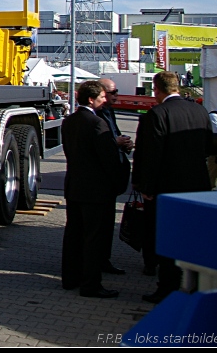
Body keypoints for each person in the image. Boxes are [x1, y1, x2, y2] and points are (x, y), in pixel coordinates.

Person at [132, 71, 212, 304]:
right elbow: (208, 146)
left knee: (167, 238)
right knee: (193, 237)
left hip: (167, 188)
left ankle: (168, 287)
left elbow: (150, 155)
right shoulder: (200, 110)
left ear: (157, 90)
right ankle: (195, 284)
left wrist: (145, 186)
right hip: (198, 186)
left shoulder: (157, 114)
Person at [61, 81, 129, 298]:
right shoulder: (97, 124)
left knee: (73, 234)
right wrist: (118, 181)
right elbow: (108, 160)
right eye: (102, 96)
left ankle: (70, 278)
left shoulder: (70, 121)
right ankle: (91, 284)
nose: (105, 99)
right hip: (95, 191)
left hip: (75, 186)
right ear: (91, 99)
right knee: (93, 238)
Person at [96, 78, 134, 275]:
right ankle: (97, 262)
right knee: (99, 226)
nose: (116, 95)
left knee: (107, 224)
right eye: (112, 92)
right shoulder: (94, 116)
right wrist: (115, 143)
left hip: (113, 178)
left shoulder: (109, 112)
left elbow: (114, 135)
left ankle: (105, 259)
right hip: (100, 181)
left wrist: (125, 144)